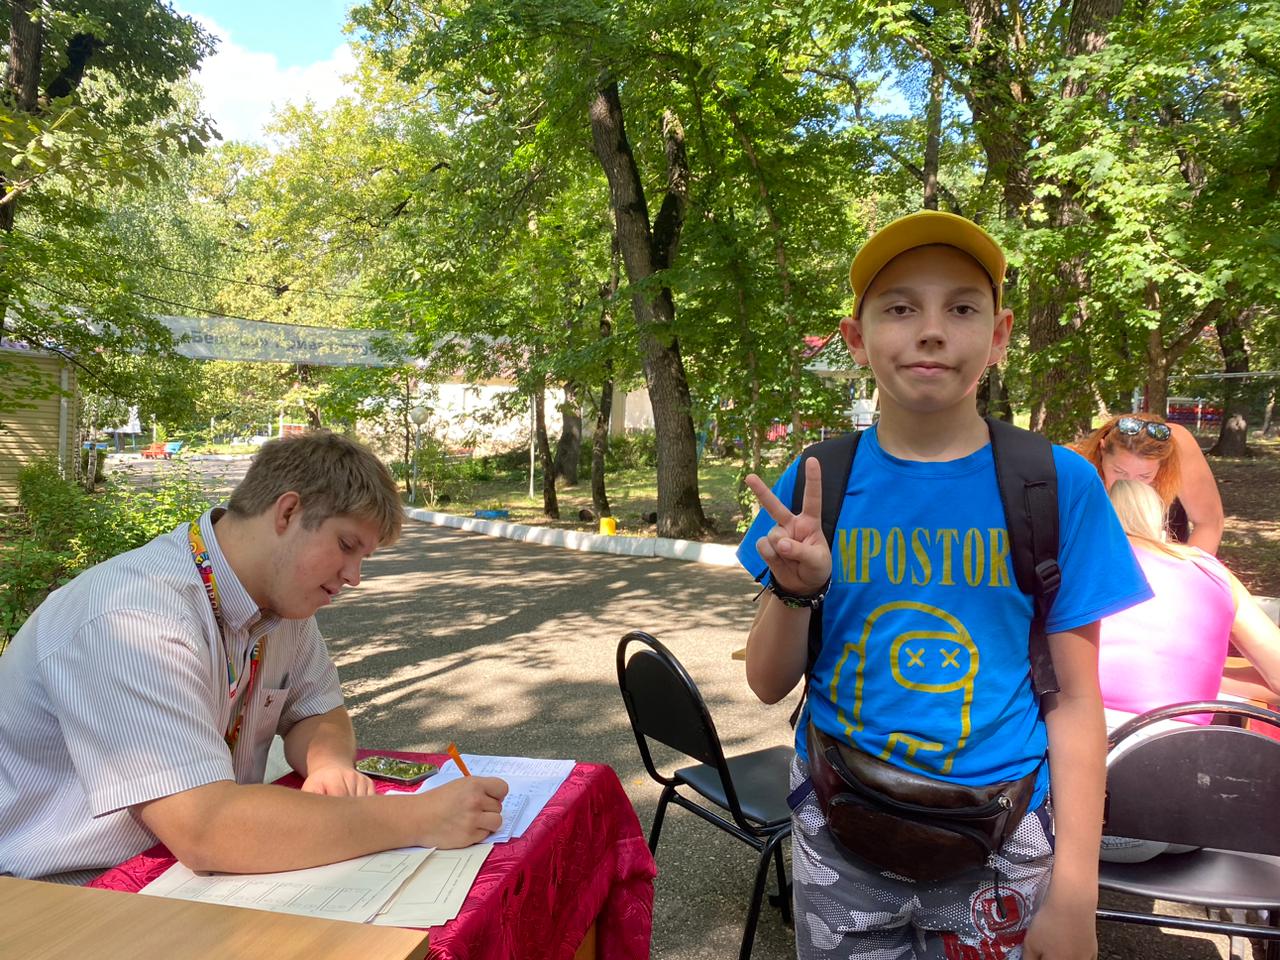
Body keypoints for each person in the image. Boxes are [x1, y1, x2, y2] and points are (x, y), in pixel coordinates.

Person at [738, 210, 1152, 960]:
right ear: (857, 337)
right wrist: (795, 592)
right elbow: (767, 684)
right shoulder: (817, 481)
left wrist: (1076, 894)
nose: (931, 331)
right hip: (838, 831)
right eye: (900, 308)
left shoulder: (1057, 485)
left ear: (999, 335)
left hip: (1002, 844)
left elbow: (1076, 700)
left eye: (962, 308)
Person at [0, 430, 507, 883]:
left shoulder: (282, 601)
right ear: (287, 513)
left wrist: (328, 764)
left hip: (178, 875)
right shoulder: (132, 617)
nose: (353, 577)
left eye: (363, 558)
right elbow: (206, 829)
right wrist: (418, 818)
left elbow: (317, 711)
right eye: (346, 545)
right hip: (58, 893)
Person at [1097, 479, 1280, 862]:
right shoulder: (1211, 571)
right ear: (1163, 525)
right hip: (1186, 810)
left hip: (1093, 803)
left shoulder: (1075, 564)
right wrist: (1203, 679)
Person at [1074, 411, 1224, 554]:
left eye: (1144, 476)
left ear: (1163, 463)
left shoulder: (1179, 445)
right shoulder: (1075, 470)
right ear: (1102, 450)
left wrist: (1183, 569)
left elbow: (1209, 524)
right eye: (1119, 472)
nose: (1130, 483)